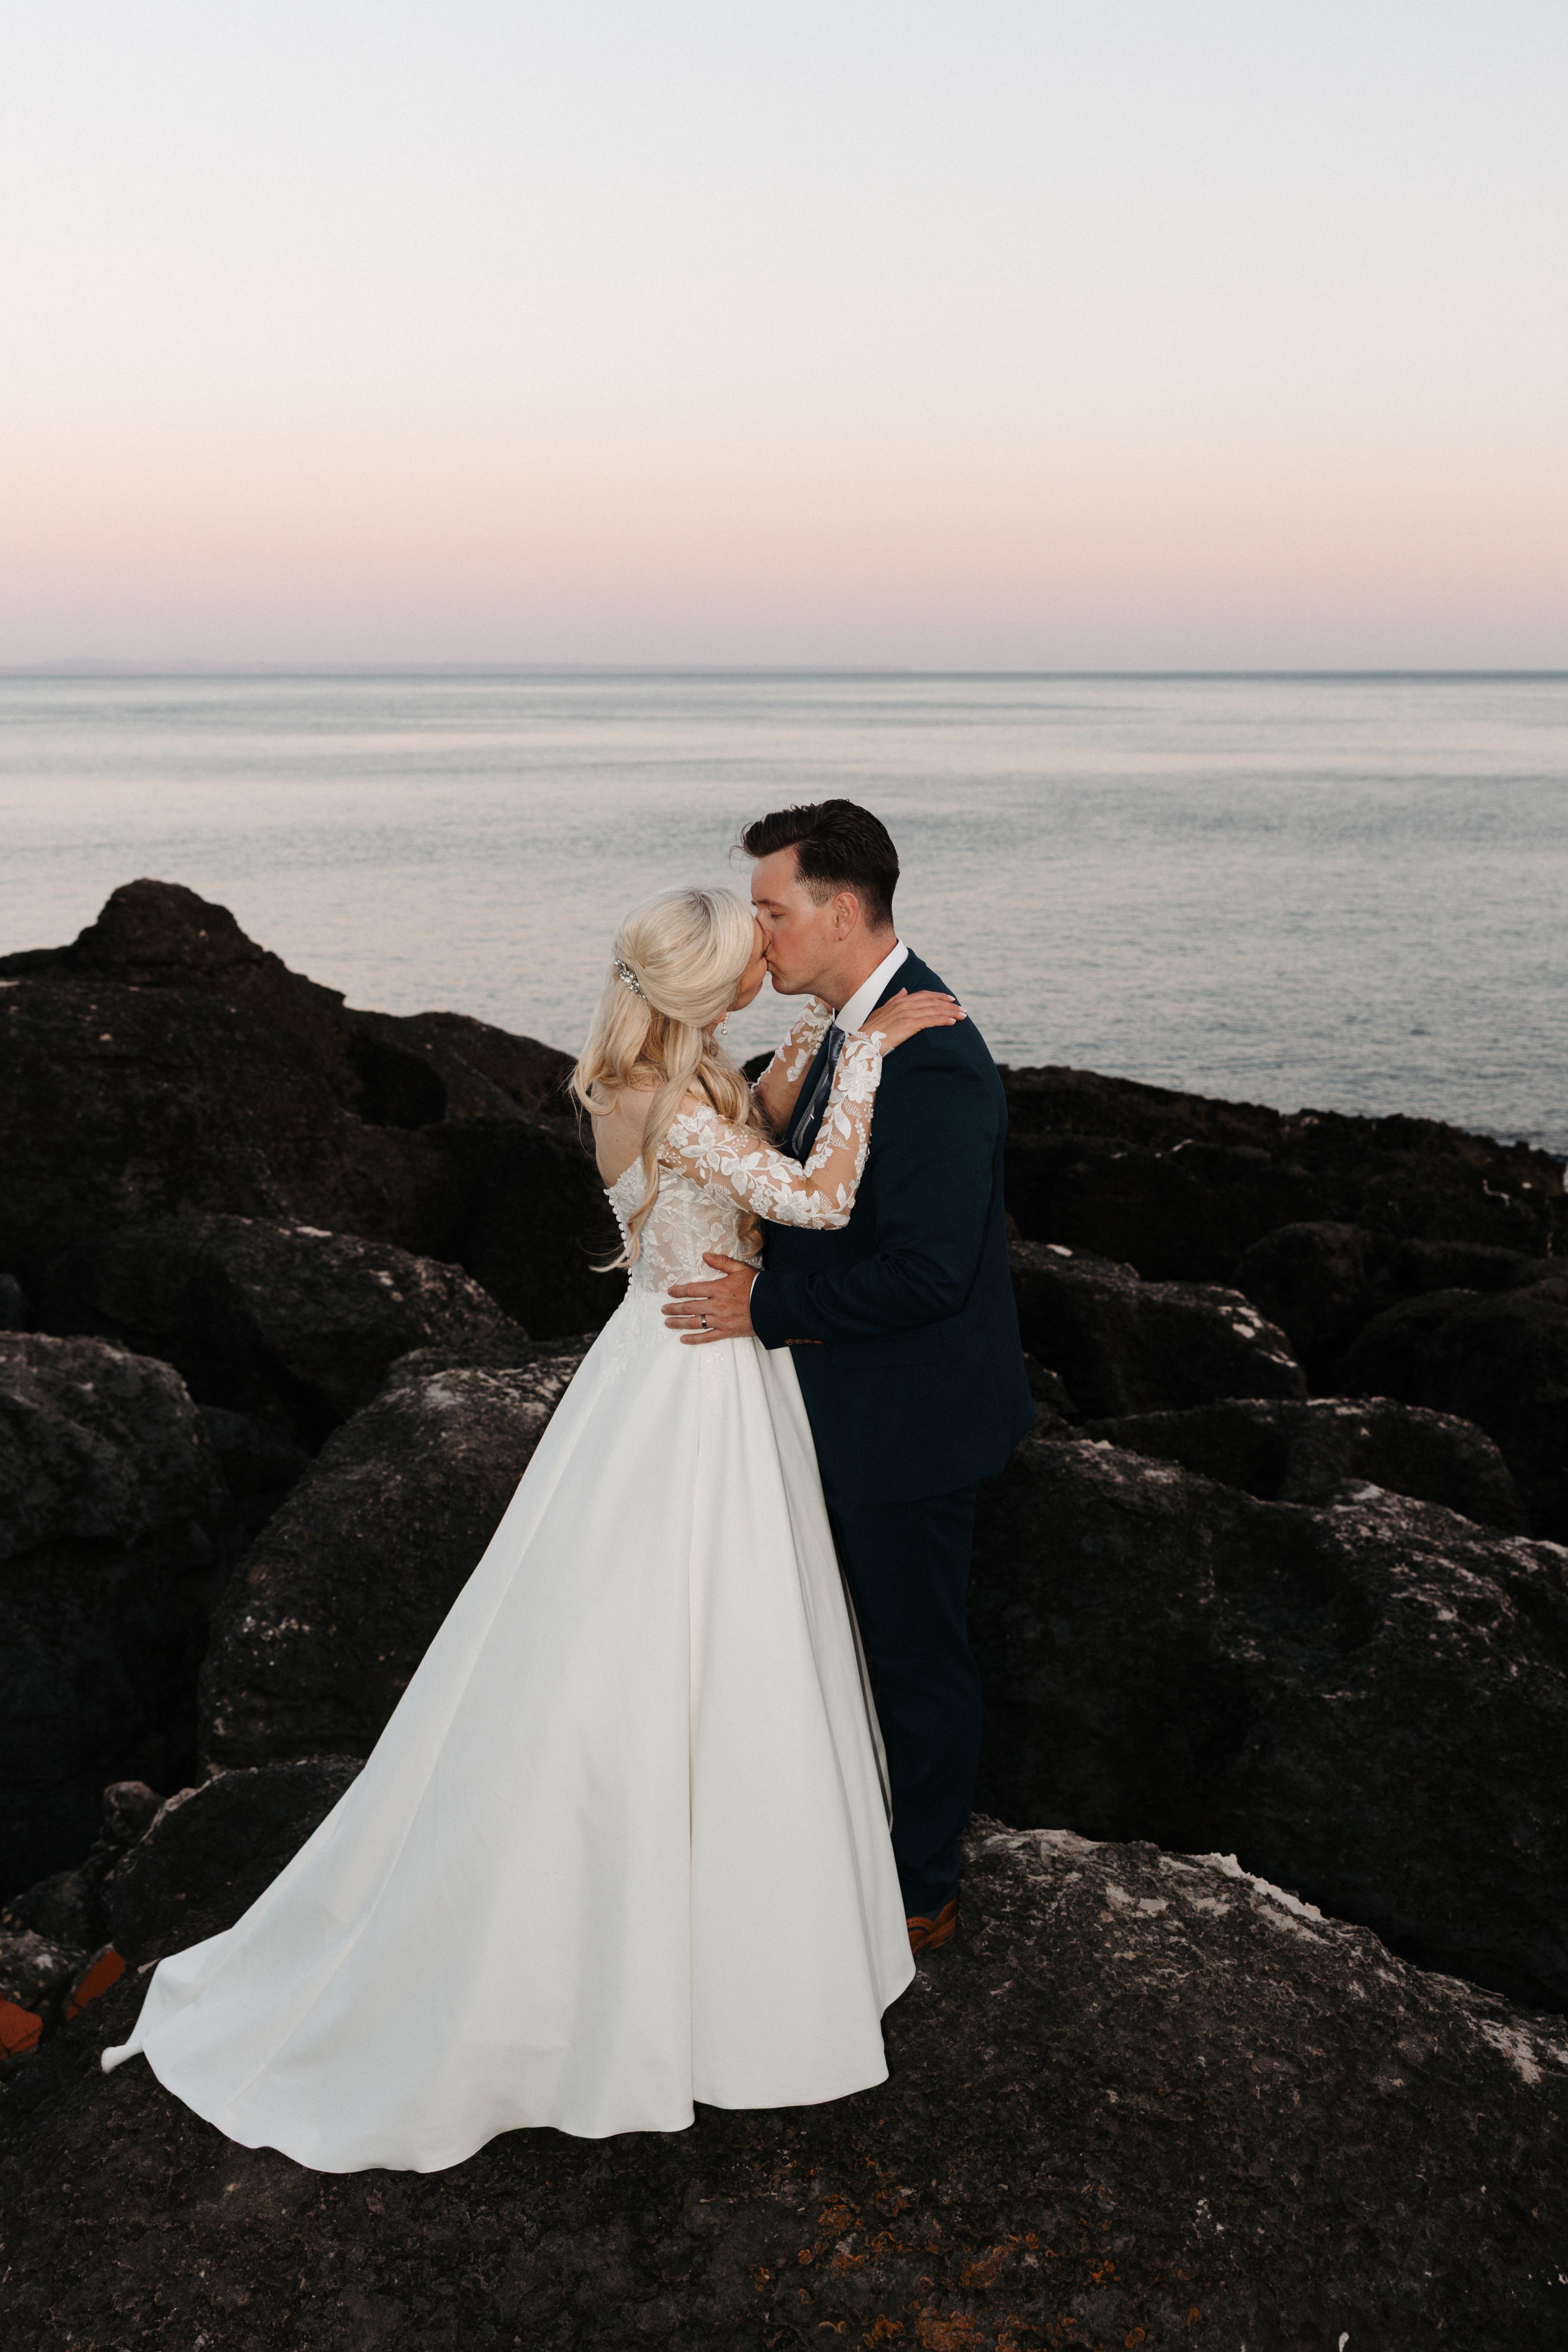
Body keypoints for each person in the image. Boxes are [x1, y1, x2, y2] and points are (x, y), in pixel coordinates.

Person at [101, 884, 962, 2170]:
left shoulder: (645, 1077)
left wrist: (794, 1062)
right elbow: (820, 1200)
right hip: (701, 1383)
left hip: (661, 1367)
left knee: (650, 1634)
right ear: (709, 992)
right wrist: (874, 1061)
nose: (763, 963)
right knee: (700, 1636)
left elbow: (736, 1136)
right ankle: (706, 1942)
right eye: (746, 962)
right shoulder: (676, 1100)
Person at [663, 804, 1033, 1951]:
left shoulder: (935, 1061)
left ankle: (922, 1889)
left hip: (905, 1419)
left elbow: (929, 1274)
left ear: (839, 908)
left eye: (774, 912)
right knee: (820, 1639)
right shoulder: (844, 1025)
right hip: (827, 1401)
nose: (759, 935)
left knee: (913, 1652)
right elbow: (795, 1174)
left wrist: (763, 1307)